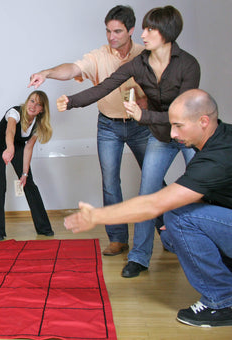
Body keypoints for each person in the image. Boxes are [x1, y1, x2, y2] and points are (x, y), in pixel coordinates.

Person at [64, 89, 232, 328]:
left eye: (178, 126)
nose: (173, 134)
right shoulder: (223, 136)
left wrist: (97, 216)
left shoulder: (216, 157)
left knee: (178, 217)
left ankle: (222, 302)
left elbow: (155, 203)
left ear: (203, 121)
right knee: (179, 223)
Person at [57, 5, 200, 278]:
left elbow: (185, 112)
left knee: (201, 188)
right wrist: (72, 101)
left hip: (189, 134)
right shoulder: (139, 63)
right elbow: (105, 86)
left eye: (150, 29)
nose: (143, 35)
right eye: (144, 28)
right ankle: (139, 257)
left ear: (166, 33)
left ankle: (200, 245)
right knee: (147, 194)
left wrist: (144, 115)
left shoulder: (188, 64)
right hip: (160, 135)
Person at [29, 5, 150, 257]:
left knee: (153, 180)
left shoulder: (144, 54)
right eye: (108, 31)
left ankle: (170, 234)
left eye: (117, 31)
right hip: (109, 126)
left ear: (131, 30)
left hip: (141, 126)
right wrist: (47, 73)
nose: (111, 37)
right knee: (110, 183)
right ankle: (118, 239)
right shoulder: (98, 56)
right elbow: (72, 69)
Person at [0, 90, 54, 241]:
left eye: (38, 104)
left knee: (29, 183)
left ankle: (44, 228)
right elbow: (10, 130)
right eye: (32, 101)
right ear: (27, 101)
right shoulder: (15, 112)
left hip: (17, 146)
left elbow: (28, 147)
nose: (33, 106)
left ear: (42, 109)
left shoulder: (38, 124)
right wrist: (9, 148)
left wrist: (24, 174)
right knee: (0, 184)